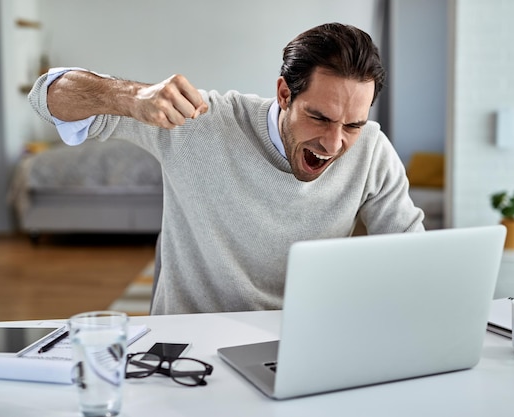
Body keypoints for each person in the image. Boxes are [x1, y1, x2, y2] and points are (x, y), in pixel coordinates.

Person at [29, 22, 425, 314]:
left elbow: (415, 261)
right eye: (319, 118)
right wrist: (131, 97)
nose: (334, 143)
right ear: (284, 94)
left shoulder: (371, 150)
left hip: (301, 342)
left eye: (353, 124)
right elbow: (45, 95)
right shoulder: (197, 122)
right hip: (188, 347)